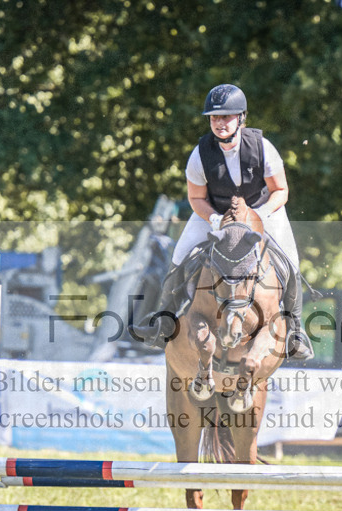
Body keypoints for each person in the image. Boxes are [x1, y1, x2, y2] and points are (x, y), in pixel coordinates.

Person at [132, 83, 313, 360]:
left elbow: (281, 191)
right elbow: (196, 199)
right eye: (214, 117)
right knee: (180, 256)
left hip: (264, 211)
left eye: (226, 116)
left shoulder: (263, 148)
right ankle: (165, 320)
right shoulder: (200, 155)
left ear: (241, 118)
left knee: (290, 261)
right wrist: (215, 219)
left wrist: (261, 215)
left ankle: (295, 332)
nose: (219, 123)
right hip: (215, 213)